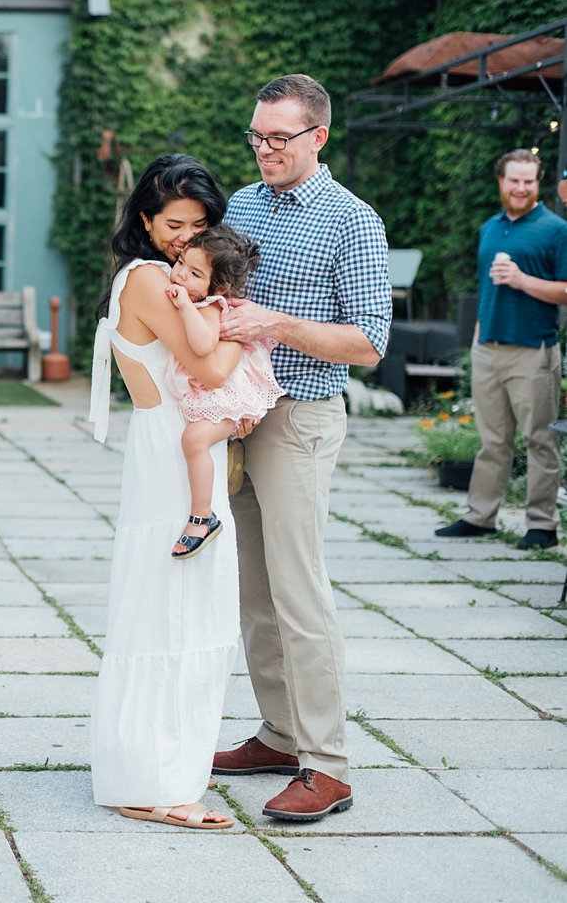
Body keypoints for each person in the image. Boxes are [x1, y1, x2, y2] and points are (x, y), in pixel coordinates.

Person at [212, 74, 391, 822]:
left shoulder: (353, 221)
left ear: (319, 136)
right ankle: (280, 734)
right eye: (256, 136)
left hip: (301, 419)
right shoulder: (242, 206)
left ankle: (329, 767)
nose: (264, 150)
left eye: (278, 138)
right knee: (253, 595)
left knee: (300, 595)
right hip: (237, 417)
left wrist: (273, 323)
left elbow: (370, 343)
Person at [87, 153, 248, 831]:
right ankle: (156, 784)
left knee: (177, 610)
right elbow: (208, 365)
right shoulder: (152, 280)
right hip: (171, 451)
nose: (187, 237)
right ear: (146, 220)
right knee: (176, 613)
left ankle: (154, 771)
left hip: (172, 444)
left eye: (200, 224)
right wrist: (248, 328)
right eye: (174, 224)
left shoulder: (155, 275)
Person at [436, 149, 567, 550]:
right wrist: (478, 335)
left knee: (541, 440)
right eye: (515, 180)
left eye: (529, 181)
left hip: (533, 350)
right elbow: (486, 287)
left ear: (537, 183)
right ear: (501, 181)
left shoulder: (556, 229)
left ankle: (542, 525)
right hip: (488, 349)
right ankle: (480, 516)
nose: (522, 188)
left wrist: (523, 280)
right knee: (492, 440)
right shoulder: (490, 227)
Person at [162, 225, 282, 559]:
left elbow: (202, 346)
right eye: (182, 263)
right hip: (216, 395)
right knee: (195, 441)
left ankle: (202, 517)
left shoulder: (212, 305)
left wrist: (185, 306)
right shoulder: (193, 296)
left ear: (220, 286)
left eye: (195, 273)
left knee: (194, 440)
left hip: (233, 396)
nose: (181, 275)